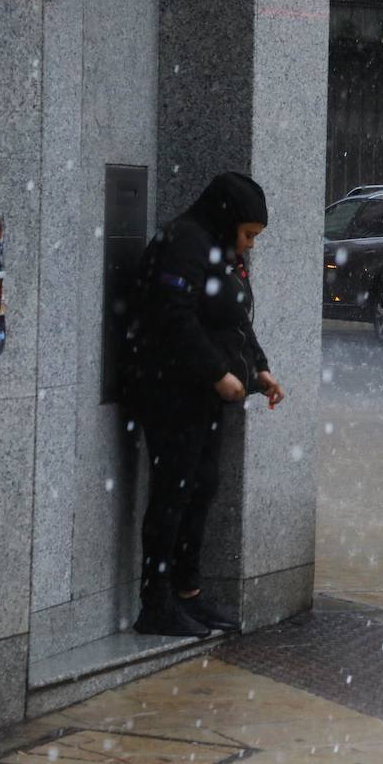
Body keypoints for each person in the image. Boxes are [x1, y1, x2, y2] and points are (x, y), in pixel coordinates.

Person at [125, 172, 286, 637]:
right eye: (249, 234)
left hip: (202, 394)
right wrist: (217, 374)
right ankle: (155, 603)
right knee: (174, 491)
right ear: (227, 219)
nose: (251, 245)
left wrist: (258, 368)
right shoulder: (186, 243)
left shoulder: (219, 249)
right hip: (170, 390)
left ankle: (186, 592)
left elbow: (235, 318)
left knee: (201, 485)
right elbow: (173, 318)